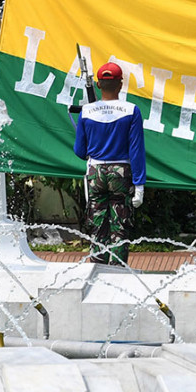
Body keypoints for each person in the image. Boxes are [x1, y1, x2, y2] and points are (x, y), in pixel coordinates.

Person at [73, 62, 145, 265]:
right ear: (120, 85)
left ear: (98, 85)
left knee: (97, 223)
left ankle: (97, 267)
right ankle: (118, 269)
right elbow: (136, 150)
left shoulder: (87, 111)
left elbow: (80, 151)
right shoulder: (131, 110)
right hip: (121, 171)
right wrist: (139, 185)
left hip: (95, 171)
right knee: (119, 224)